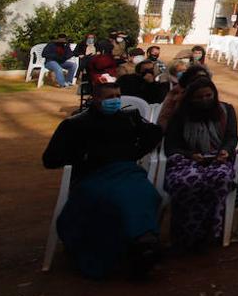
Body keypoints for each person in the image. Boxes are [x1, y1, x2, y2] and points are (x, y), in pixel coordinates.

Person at [42, 73, 163, 278]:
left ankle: (144, 243)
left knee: (146, 194)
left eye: (117, 96)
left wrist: (134, 152)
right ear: (95, 99)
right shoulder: (75, 124)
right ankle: (121, 250)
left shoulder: (129, 119)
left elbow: (153, 134)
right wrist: (83, 156)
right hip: (93, 176)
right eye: (109, 98)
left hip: (127, 173)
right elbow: (50, 159)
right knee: (113, 200)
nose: (115, 100)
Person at [159, 74, 238, 250]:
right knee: (186, 181)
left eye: (208, 96)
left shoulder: (226, 111)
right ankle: (187, 234)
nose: (204, 100)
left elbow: (231, 137)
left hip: (217, 159)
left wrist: (225, 151)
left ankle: (211, 232)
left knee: (220, 179)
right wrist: (190, 155)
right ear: (191, 98)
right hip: (187, 159)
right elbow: (172, 144)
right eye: (199, 97)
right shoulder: (180, 115)